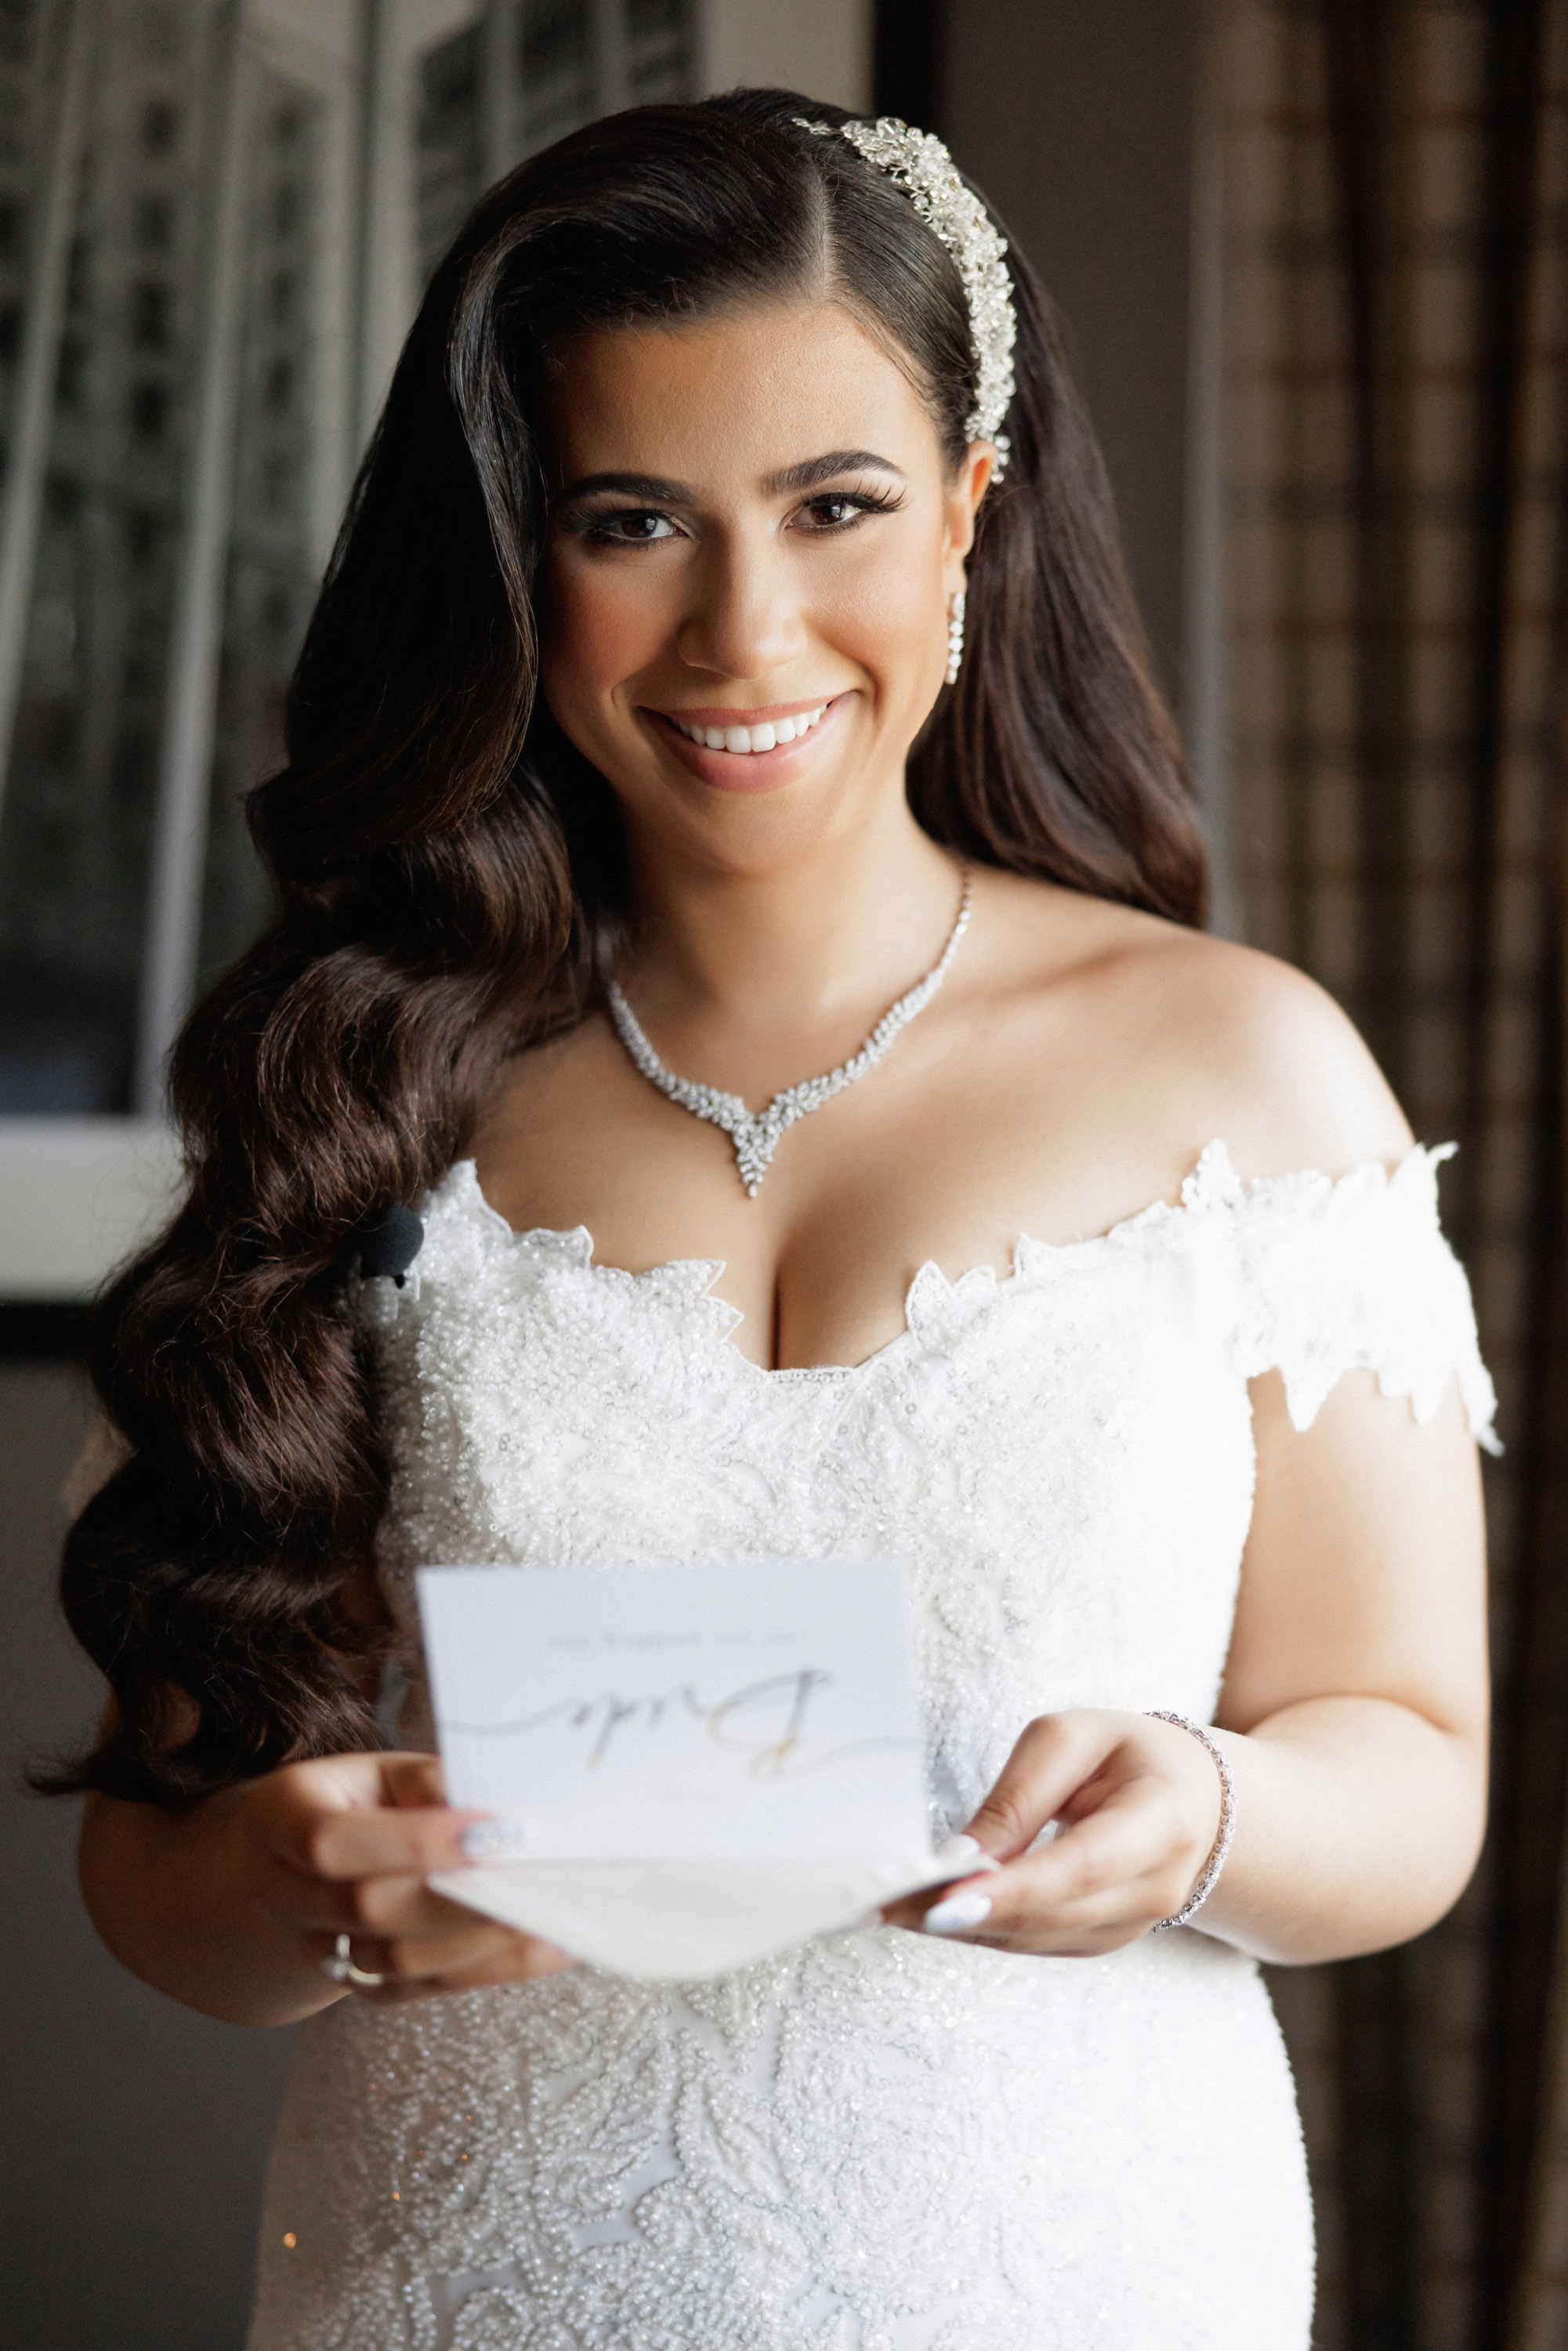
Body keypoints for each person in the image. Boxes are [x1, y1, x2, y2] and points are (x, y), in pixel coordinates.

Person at [49, 89, 1493, 2349]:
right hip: (468, 2279)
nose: (742, 629)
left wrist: (1203, 1814)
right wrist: (288, 1878)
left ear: (968, 520)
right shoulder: (355, 1101)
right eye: (633, 520)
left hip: (1080, 2265)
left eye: (834, 507)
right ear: (521, 561)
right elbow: (158, 1867)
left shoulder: (1242, 1070)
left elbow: (1406, 1761)